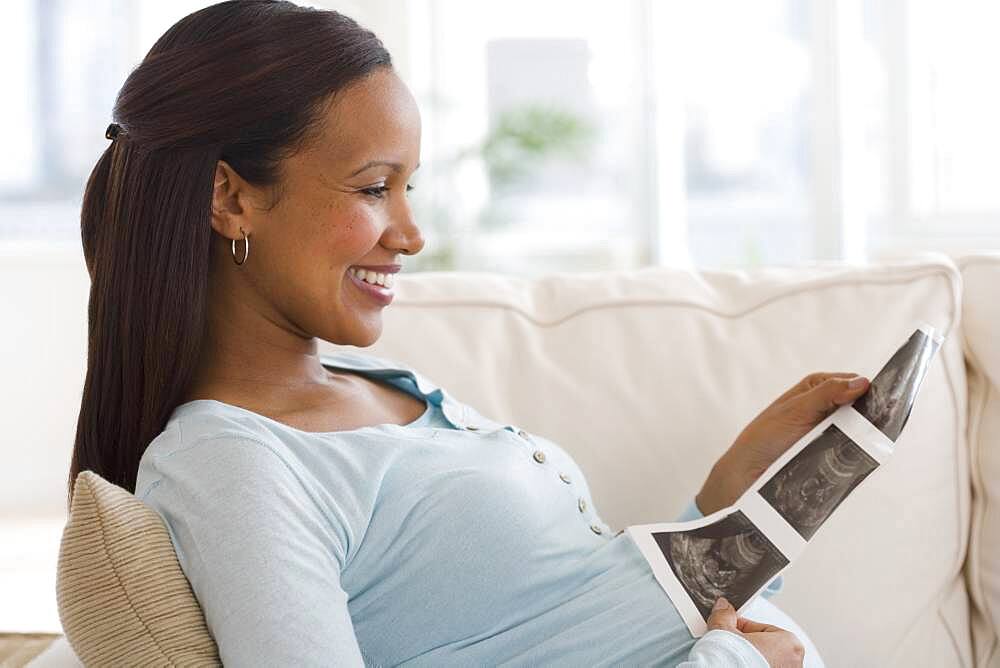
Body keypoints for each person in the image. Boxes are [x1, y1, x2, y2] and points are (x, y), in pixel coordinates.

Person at [68, 2, 871, 665]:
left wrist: (730, 497)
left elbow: (549, 624)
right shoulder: (232, 463)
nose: (411, 233)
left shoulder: (372, 387)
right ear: (231, 198)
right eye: (375, 187)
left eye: (407, 188)